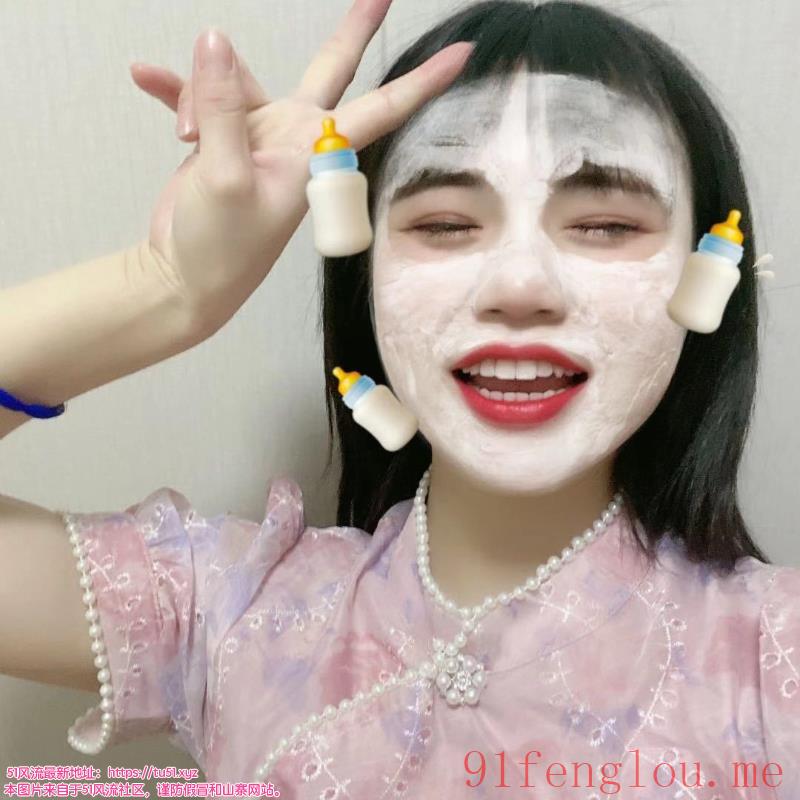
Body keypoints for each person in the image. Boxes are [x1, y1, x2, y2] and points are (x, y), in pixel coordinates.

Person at [1, 0, 797, 796]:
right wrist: (167, 288)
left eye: (604, 226)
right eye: (445, 223)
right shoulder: (229, 611)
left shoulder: (775, 657)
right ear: (368, 271)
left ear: (707, 274)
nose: (520, 284)